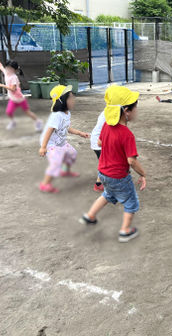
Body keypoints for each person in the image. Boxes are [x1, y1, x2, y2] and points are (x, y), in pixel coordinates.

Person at [80, 86, 146, 243]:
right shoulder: (127, 135)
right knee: (131, 202)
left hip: (103, 173)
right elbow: (131, 161)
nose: (137, 110)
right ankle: (125, 231)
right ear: (126, 111)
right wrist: (143, 174)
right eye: (135, 107)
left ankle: (90, 216)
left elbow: (100, 142)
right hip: (119, 176)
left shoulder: (106, 126)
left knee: (108, 195)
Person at [38, 85, 90, 193]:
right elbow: (49, 131)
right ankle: (45, 184)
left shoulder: (67, 113)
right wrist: (43, 147)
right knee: (56, 162)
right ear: (62, 101)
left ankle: (65, 171)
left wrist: (79, 133)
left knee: (72, 153)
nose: (73, 100)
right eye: (70, 98)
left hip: (60, 143)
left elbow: (66, 128)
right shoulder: (57, 115)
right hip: (50, 144)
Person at [0, 52, 43, 131]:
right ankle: (13, 122)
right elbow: (0, 66)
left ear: (14, 70)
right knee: (8, 112)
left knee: (27, 112)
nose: (7, 69)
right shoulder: (6, 73)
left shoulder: (14, 77)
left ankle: (38, 121)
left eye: (10, 68)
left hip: (20, 99)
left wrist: (1, 85)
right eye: (7, 68)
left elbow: (13, 89)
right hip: (13, 99)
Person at [90, 111, 106, 192]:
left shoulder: (108, 109)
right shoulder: (113, 111)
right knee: (105, 164)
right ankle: (98, 184)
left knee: (104, 163)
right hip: (99, 141)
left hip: (97, 139)